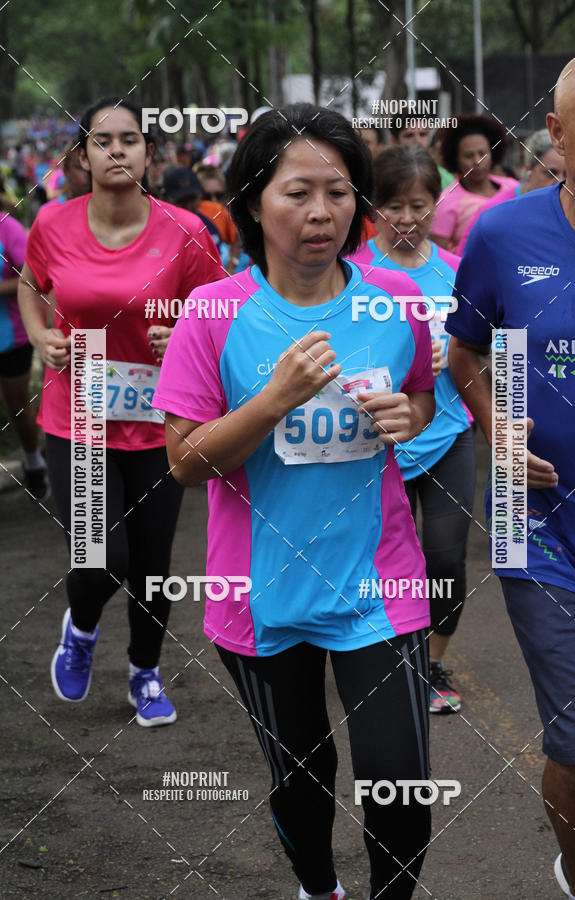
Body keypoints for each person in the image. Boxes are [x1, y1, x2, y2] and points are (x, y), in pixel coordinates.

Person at [153, 103, 436, 900]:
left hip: (380, 584)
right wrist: (272, 401)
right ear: (251, 201)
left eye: (341, 193)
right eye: (298, 193)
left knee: (401, 788)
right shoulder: (212, 314)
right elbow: (182, 462)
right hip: (259, 594)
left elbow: (418, 401)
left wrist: (402, 418)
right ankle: (320, 889)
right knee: (303, 781)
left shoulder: (395, 302)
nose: (322, 213)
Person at [446, 52, 575, 900]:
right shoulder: (504, 235)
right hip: (538, 525)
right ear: (557, 137)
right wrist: (497, 425)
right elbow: (463, 351)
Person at [17, 96, 222, 727]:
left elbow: (220, 308)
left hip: (162, 420)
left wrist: (185, 330)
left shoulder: (185, 229)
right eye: (102, 141)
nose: (116, 151)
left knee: (154, 565)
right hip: (77, 415)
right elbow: (31, 283)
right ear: (81, 156)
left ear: (149, 153)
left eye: (129, 139)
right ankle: (80, 629)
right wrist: (41, 337)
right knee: (103, 555)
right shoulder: (52, 223)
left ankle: (145, 672)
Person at [348, 146, 474, 713]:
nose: (405, 218)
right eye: (393, 206)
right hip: (381, 441)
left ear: (435, 205)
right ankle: (385, 655)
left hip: (449, 430)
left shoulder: (455, 270)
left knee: (446, 556)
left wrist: (464, 354)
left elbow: (494, 340)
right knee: (379, 559)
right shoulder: (355, 271)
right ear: (374, 208)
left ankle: (434, 660)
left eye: (417, 206)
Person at [455, 128, 567, 255]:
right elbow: (463, 262)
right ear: (528, 170)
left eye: (566, 174)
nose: (560, 181)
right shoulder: (493, 211)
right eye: (550, 173)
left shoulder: (571, 210)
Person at [0, 211, 49, 500]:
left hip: (10, 335)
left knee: (17, 405)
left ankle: (33, 462)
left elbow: (33, 277)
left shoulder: (7, 227)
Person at [430, 114, 518, 253]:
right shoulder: (446, 201)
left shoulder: (513, 188)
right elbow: (439, 254)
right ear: (456, 159)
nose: (477, 161)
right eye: (469, 155)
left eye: (482, 153)